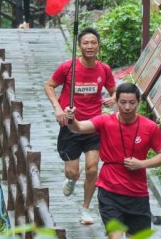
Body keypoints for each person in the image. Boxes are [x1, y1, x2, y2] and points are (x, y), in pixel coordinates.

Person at [67, 82, 161, 239]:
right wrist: (71, 118)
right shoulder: (105, 121)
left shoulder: (149, 127)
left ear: (138, 103)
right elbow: (79, 128)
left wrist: (142, 164)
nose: (127, 107)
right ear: (116, 102)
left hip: (137, 193)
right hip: (110, 190)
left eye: (131, 103)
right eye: (123, 102)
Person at [45, 27, 116, 225]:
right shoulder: (68, 67)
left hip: (93, 125)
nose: (90, 46)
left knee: (93, 169)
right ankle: (72, 178)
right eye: (86, 43)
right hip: (71, 124)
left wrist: (113, 98)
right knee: (72, 171)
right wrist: (58, 109)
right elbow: (49, 85)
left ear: (99, 46)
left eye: (93, 43)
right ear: (79, 46)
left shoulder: (104, 69)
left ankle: (85, 209)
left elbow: (115, 90)